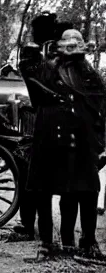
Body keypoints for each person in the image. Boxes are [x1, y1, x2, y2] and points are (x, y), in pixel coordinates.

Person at [22, 26, 106, 259]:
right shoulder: (47, 69)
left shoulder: (89, 74)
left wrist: (101, 144)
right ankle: (48, 243)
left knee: (86, 191)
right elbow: (31, 80)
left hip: (82, 141)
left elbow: (100, 109)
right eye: (66, 44)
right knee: (44, 190)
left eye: (75, 45)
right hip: (50, 138)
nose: (70, 50)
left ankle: (87, 243)